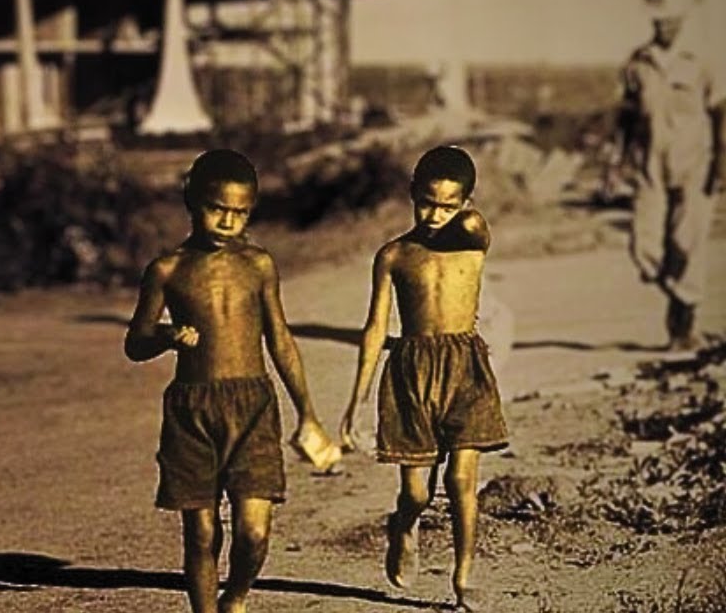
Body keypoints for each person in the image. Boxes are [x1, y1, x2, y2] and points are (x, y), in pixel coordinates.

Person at [124, 149, 333, 613]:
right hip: (192, 409)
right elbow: (134, 343)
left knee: (254, 532)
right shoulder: (167, 269)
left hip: (253, 405)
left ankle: (234, 597)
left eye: (240, 213)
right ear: (192, 200)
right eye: (217, 208)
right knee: (201, 534)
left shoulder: (259, 265)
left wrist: (309, 414)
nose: (228, 221)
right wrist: (166, 336)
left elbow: (280, 341)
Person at [339, 146, 508, 611]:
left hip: (465, 367)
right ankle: (403, 525)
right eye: (427, 202)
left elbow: (476, 224)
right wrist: (356, 403)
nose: (436, 214)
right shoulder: (393, 255)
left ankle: (463, 578)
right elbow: (376, 328)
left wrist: (465, 212)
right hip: (411, 370)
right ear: (412, 194)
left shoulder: (472, 240)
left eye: (449, 204)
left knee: (461, 480)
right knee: (417, 492)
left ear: (466, 203)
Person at [617, 0, 724, 351]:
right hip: (650, 163)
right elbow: (628, 116)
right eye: (658, 21)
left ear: (681, 22)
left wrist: (722, 163)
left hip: (696, 162)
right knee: (644, 244)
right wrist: (618, 161)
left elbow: (720, 111)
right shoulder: (638, 63)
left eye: (671, 21)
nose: (664, 28)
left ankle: (684, 323)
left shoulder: (701, 62)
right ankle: (675, 292)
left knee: (686, 241)